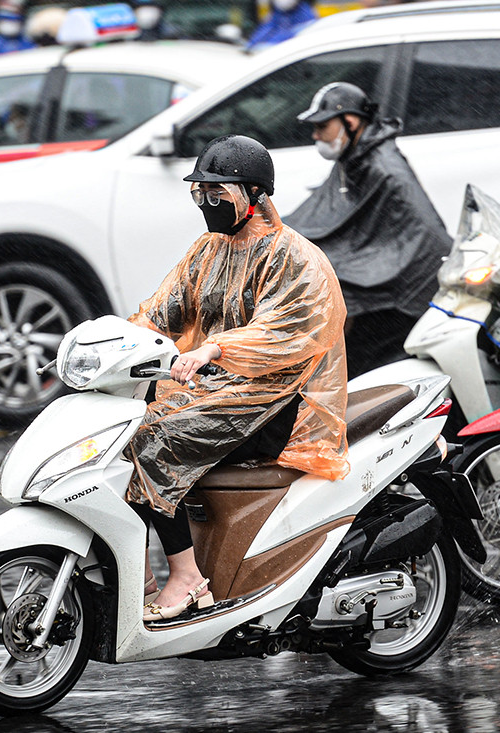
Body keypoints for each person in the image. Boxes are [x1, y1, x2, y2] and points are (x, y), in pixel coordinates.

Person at [126, 134, 349, 621]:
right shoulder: (209, 249)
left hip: (275, 401)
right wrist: (114, 345)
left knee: (152, 441)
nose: (207, 204)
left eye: (218, 193)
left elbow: (284, 334)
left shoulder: (297, 259)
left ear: (255, 195)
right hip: (216, 389)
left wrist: (215, 347)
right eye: (200, 193)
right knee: (117, 432)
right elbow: (162, 311)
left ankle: (187, 579)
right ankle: (135, 576)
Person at [286, 82, 452, 376]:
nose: (315, 136)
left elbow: (425, 235)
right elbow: (333, 213)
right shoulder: (356, 154)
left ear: (350, 122)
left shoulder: (385, 169)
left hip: (403, 294)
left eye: (322, 126)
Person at [245, 0, 318, 50]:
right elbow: (267, 29)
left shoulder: (307, 17)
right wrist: (251, 45)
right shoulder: (278, 13)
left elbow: (292, 39)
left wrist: (265, 46)